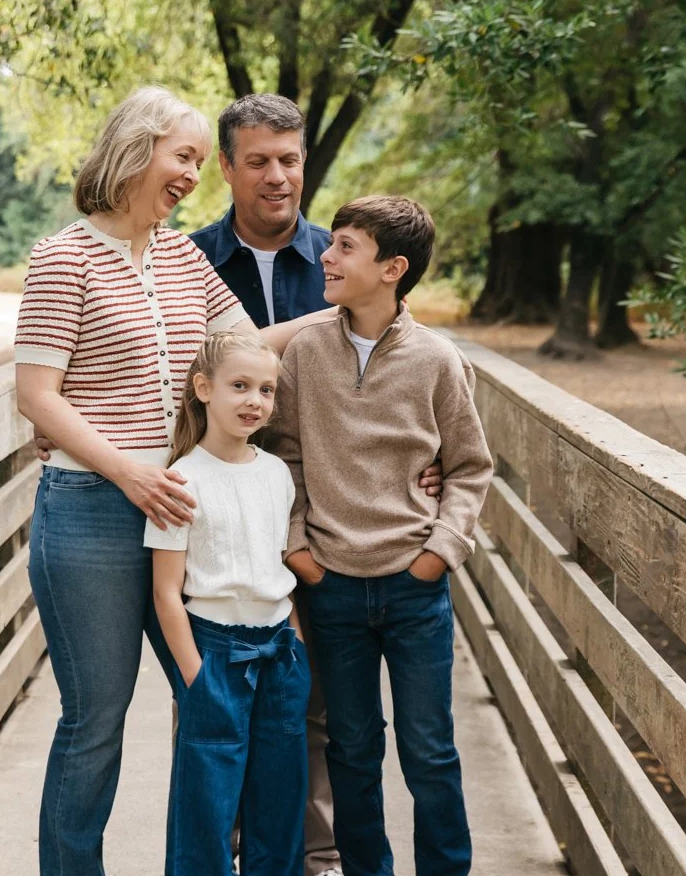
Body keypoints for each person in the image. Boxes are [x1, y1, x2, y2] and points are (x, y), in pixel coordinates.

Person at [13, 86, 327, 876]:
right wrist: (130, 473)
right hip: (89, 512)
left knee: (212, 701)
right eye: (182, 156)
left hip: (183, 511)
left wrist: (355, 318)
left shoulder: (183, 257)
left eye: (195, 160)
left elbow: (250, 349)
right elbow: (37, 394)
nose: (191, 174)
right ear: (135, 149)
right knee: (96, 721)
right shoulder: (63, 257)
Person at [190, 94, 445, 876]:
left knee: (320, 701)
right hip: (221, 510)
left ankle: (314, 852)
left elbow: (399, 362)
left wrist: (420, 470)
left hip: (325, 515)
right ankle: (223, 844)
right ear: (226, 167)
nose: (277, 176)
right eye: (258, 161)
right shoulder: (188, 262)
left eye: (290, 160)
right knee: (215, 685)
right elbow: (175, 368)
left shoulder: (344, 256)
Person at [274, 195, 495, 876]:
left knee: (429, 751)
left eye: (346, 246)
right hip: (332, 586)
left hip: (413, 589)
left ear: (392, 268)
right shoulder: (306, 352)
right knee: (352, 750)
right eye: (332, 242)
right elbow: (286, 456)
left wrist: (439, 553)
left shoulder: (437, 360)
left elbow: (469, 467)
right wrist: (299, 550)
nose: (326, 255)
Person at [147, 329, 311, 876]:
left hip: (280, 652)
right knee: (207, 804)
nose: (254, 401)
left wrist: (296, 645)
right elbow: (166, 592)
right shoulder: (181, 480)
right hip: (215, 652)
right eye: (239, 386)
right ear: (204, 389)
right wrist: (196, 677)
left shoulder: (275, 474)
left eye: (266, 390)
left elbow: (277, 568)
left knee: (280, 800)